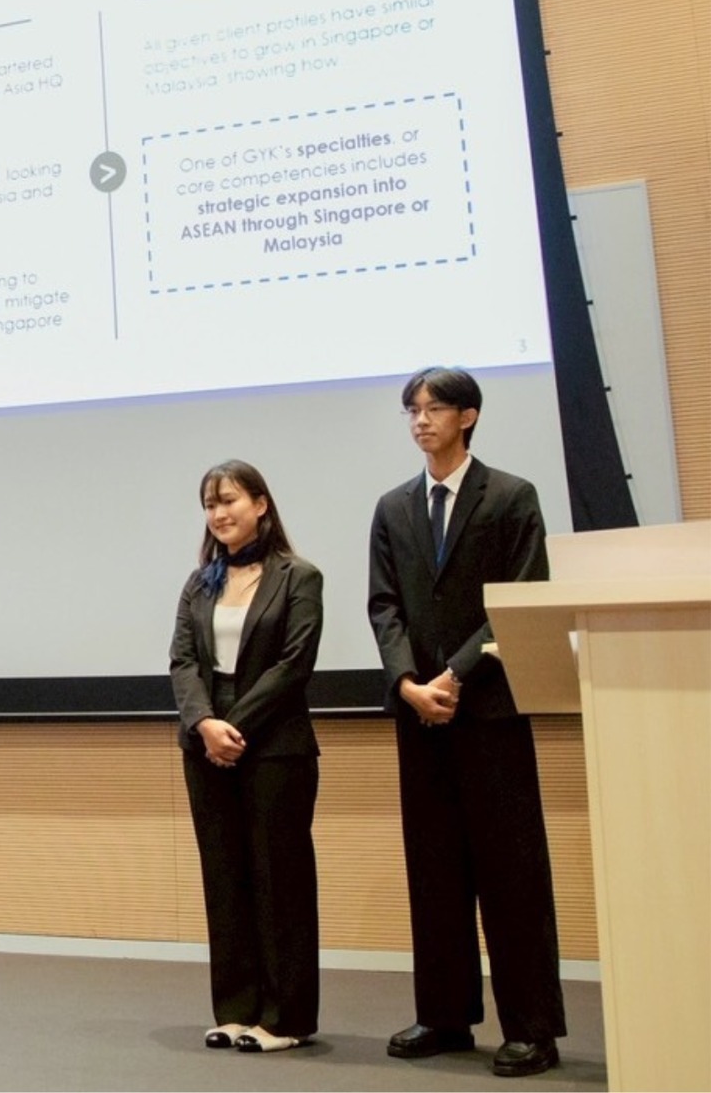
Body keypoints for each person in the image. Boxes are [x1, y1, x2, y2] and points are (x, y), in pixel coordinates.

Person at [369, 367, 564, 1077]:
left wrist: (452, 675)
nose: (420, 420)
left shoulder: (511, 496)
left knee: (511, 873)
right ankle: (445, 1015)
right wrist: (407, 683)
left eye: (434, 407)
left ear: (469, 416)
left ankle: (533, 1028)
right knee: (434, 870)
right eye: (411, 410)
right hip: (420, 717)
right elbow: (384, 605)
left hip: (489, 711)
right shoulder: (393, 507)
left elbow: (519, 598)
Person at [169, 460, 323, 1054]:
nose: (218, 513)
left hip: (275, 745)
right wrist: (205, 723)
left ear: (260, 504)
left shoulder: (298, 577)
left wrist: (234, 726)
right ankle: (235, 1010)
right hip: (206, 745)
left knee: (278, 880)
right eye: (210, 504)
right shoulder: (200, 582)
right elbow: (183, 661)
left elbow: (294, 663)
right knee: (225, 878)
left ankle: (284, 1019)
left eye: (229, 500)